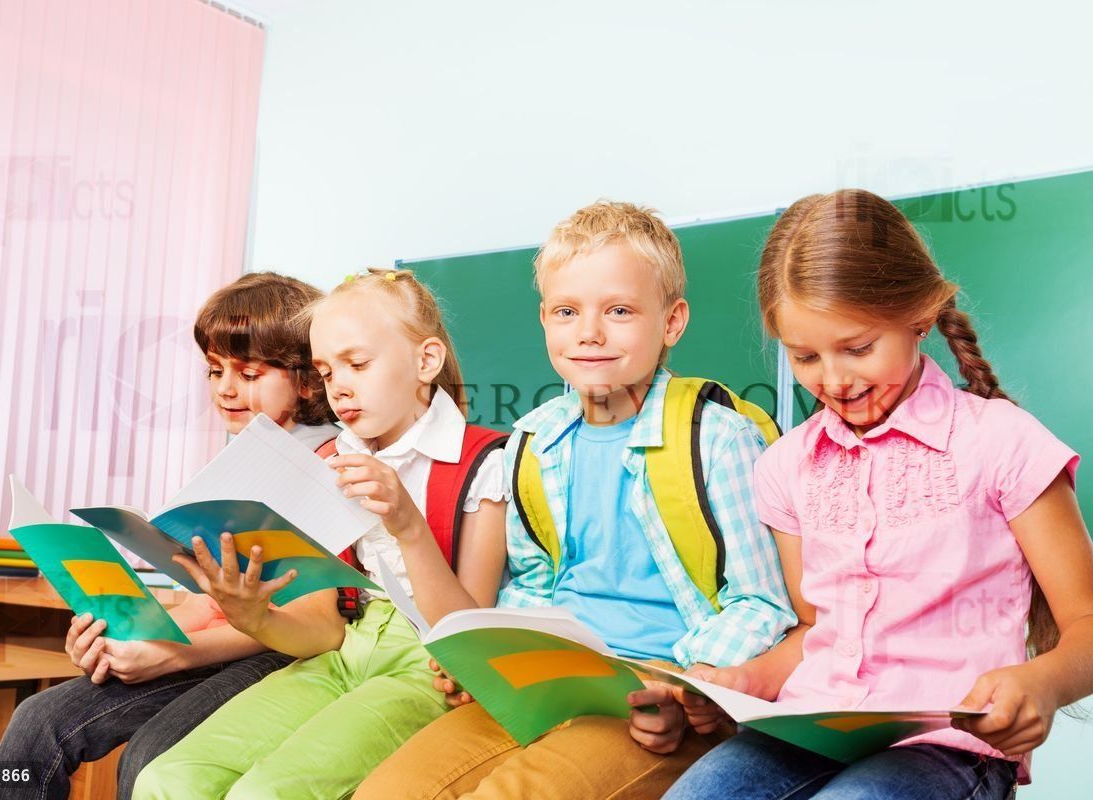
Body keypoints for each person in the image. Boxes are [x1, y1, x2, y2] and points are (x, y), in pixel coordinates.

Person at [356, 201, 794, 800]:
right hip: (550, 682)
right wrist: (496, 660)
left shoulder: (717, 438)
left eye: (618, 310)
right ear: (545, 319)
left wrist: (680, 685)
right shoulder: (533, 441)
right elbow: (533, 585)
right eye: (567, 311)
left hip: (652, 699)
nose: (589, 332)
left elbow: (762, 601)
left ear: (672, 321)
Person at [663, 190, 1093, 800]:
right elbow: (815, 630)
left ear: (920, 315)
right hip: (809, 727)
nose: (833, 379)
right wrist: (746, 679)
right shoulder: (785, 466)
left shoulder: (1002, 442)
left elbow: (1086, 622)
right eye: (805, 356)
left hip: (947, 748)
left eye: (858, 348)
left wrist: (1042, 683)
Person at [133, 268, 509, 800]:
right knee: (167, 779)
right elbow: (324, 631)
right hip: (340, 652)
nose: (341, 388)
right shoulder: (332, 460)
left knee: (265, 794)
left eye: (358, 364)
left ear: (426, 362)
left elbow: (468, 642)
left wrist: (408, 527)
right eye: (328, 372)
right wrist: (254, 614)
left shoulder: (482, 463)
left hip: (427, 665)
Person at [0, 272, 346, 800]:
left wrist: (175, 654)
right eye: (215, 370)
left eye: (247, 373)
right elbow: (206, 600)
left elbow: (310, 621)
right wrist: (128, 639)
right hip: (219, 643)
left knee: (151, 757)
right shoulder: (236, 462)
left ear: (307, 380)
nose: (224, 389)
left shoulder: (332, 466)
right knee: (37, 721)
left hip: (283, 649)